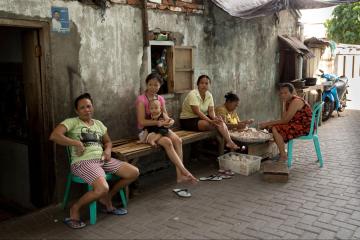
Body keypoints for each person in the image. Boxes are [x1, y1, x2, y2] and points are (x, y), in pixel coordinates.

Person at [49, 93, 139, 229]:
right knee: (102, 187)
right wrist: (76, 143)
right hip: (83, 162)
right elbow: (54, 136)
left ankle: (107, 197)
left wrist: (108, 150)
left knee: (133, 172)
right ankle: (75, 208)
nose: (87, 110)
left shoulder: (98, 124)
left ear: (93, 107)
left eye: (89, 106)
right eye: (82, 108)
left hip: (102, 160)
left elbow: (108, 141)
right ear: (76, 111)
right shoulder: (72, 122)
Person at [136, 73, 197, 189]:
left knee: (178, 140)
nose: (153, 87)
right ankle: (184, 170)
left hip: (161, 128)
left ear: (160, 86)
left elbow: (165, 116)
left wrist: (170, 121)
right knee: (168, 143)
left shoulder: (160, 98)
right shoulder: (141, 100)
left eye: (156, 85)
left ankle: (179, 176)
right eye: (150, 84)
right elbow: (141, 121)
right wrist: (157, 123)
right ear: (146, 84)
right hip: (147, 132)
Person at [179, 75, 240, 150]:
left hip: (201, 118)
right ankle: (221, 141)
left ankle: (229, 142)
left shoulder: (209, 95)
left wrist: (215, 118)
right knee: (209, 124)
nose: (204, 85)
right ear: (198, 84)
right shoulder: (193, 94)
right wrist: (211, 120)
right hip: (188, 120)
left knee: (219, 121)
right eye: (202, 83)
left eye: (206, 83)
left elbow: (211, 111)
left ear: (209, 85)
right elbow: (197, 112)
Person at [259, 83, 312, 163]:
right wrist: (284, 103)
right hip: (296, 124)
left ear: (291, 93)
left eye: (285, 93)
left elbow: (285, 121)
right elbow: (284, 118)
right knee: (272, 127)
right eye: (281, 93)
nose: (283, 95)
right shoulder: (288, 101)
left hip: (304, 127)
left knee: (275, 128)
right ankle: (282, 152)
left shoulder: (296, 101)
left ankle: (283, 155)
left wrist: (267, 123)